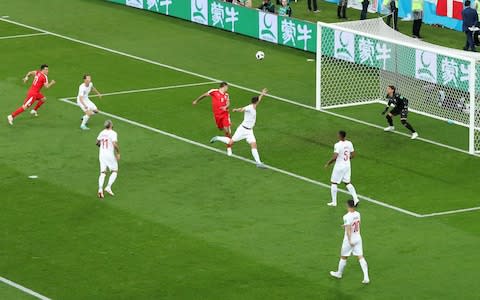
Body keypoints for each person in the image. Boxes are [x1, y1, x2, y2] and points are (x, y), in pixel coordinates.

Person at [210, 88, 268, 169]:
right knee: (231, 142)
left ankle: (258, 163)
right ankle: (218, 138)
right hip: (242, 130)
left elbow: (259, 100)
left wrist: (262, 94)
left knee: (253, 144)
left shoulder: (254, 106)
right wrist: (236, 110)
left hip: (249, 131)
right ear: (256, 102)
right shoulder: (250, 107)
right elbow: (242, 109)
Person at [330, 200, 370, 284]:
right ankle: (366, 277)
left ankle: (339, 274)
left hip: (350, 239)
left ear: (347, 205)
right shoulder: (358, 214)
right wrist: (345, 225)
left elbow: (348, 229)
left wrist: (349, 240)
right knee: (360, 257)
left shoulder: (346, 216)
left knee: (343, 256)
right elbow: (356, 224)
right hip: (358, 237)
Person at [193, 82, 233, 156]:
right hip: (217, 115)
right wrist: (196, 101)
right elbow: (204, 95)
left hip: (225, 115)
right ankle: (221, 137)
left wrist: (226, 107)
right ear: (223, 86)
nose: (227, 88)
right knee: (221, 129)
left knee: (227, 131)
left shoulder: (226, 95)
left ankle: (229, 148)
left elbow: (228, 103)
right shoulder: (214, 91)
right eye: (227, 87)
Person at [325, 131, 360, 207]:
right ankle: (356, 199)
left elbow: (335, 157)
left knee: (334, 183)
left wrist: (328, 163)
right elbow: (353, 155)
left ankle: (334, 202)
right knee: (347, 182)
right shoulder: (349, 143)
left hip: (339, 166)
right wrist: (346, 160)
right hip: (347, 166)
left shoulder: (338, 145)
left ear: (340, 136)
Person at [96, 120, 120, 199]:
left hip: (101, 154)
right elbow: (114, 144)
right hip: (109, 155)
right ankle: (108, 187)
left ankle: (100, 190)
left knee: (103, 172)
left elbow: (97, 142)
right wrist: (118, 153)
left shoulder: (102, 132)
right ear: (110, 125)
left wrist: (103, 146)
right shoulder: (113, 133)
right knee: (114, 171)